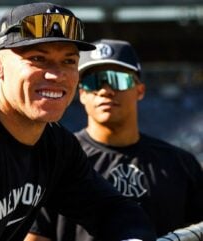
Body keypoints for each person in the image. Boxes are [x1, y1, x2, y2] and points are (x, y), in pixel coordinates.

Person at [0, 4, 157, 241]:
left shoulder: (54, 144)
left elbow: (112, 209)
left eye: (68, 61)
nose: (56, 75)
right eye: (37, 58)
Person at [26, 39, 203, 241]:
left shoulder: (180, 164)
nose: (105, 90)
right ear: (82, 94)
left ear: (140, 90)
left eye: (117, 79)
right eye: (93, 81)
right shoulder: (55, 162)